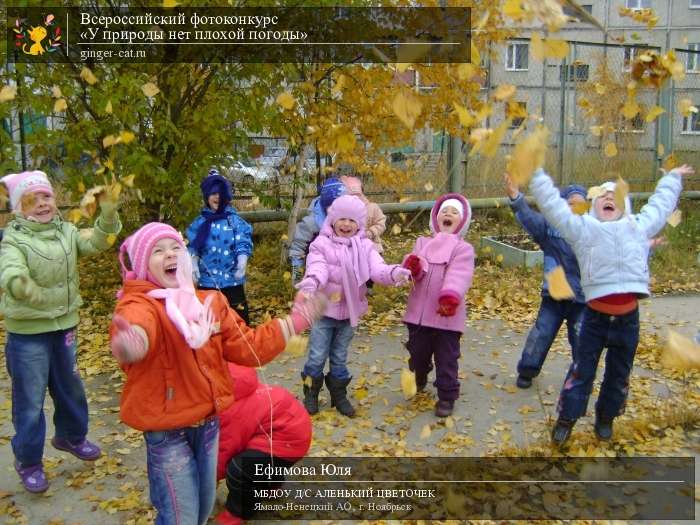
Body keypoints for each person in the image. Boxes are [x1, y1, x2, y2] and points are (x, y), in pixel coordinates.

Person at [109, 223, 325, 525]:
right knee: (180, 516)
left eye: (175, 247)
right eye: (157, 251)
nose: (169, 254)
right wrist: (133, 342)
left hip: (208, 425)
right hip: (169, 432)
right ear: (143, 263)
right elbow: (139, 326)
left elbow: (250, 349)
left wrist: (295, 321)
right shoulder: (141, 304)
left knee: (200, 507)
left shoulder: (208, 303)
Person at [528, 164, 694, 445]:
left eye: (614, 194)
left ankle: (606, 417)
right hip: (593, 319)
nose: (608, 197)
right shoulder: (583, 230)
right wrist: (535, 175)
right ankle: (566, 418)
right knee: (582, 372)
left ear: (625, 205)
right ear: (593, 206)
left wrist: (672, 178)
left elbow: (661, 206)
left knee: (619, 375)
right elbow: (554, 208)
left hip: (628, 321)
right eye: (602, 195)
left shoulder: (638, 227)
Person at [0, 170, 122, 493]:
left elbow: (98, 242)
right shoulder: (14, 239)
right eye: (32, 199)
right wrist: (17, 283)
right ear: (18, 209)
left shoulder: (67, 232)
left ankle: (70, 435)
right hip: (28, 334)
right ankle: (28, 461)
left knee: (70, 385)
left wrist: (108, 215)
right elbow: (9, 267)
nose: (41, 203)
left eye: (46, 196)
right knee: (30, 399)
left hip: (64, 326)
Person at [296, 195, 411, 417]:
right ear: (332, 220)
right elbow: (318, 267)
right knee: (317, 355)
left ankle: (338, 395)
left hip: (349, 313)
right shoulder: (321, 244)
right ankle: (311, 393)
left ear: (359, 224)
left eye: (352, 220)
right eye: (342, 219)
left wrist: (395, 273)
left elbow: (377, 269)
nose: (346, 225)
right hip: (324, 311)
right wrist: (312, 280)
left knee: (339, 356)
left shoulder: (365, 247)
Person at [505, 174, 587, 389]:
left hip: (583, 298)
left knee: (582, 340)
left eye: (580, 205)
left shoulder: (592, 233)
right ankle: (527, 370)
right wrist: (516, 197)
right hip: (555, 295)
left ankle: (581, 375)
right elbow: (530, 219)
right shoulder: (550, 229)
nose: (574, 208)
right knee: (541, 334)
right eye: (570, 204)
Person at [401, 193, 475, 417]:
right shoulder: (423, 243)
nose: (448, 214)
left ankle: (446, 395)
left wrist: (450, 297)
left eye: (454, 212)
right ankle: (420, 374)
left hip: (446, 316)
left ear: (462, 221)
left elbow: (459, 274)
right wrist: (412, 266)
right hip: (419, 316)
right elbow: (417, 267)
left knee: (447, 358)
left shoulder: (463, 249)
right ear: (435, 217)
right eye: (444, 211)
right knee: (417, 353)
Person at [214, 363, 312, 525]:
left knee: (239, 469)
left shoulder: (231, 410)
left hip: (284, 442)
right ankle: (271, 486)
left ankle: (238, 512)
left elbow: (226, 449)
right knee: (262, 457)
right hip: (295, 435)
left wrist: (212, 478)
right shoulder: (247, 390)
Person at [187, 169, 253, 324]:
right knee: (210, 322)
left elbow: (243, 241)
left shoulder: (234, 221)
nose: (217, 197)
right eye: (213, 193)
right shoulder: (200, 223)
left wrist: (242, 260)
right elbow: (193, 247)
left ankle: (242, 346)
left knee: (238, 319)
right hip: (207, 283)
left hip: (232, 280)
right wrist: (193, 263)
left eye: (221, 193)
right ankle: (213, 346)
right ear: (206, 197)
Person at [288, 177, 345, 284]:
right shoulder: (312, 223)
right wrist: (297, 276)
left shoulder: (348, 221)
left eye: (342, 206)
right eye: (332, 207)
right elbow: (297, 248)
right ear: (325, 206)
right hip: (315, 265)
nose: (337, 211)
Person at [340, 175, 386, 253]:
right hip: (353, 249)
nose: (356, 199)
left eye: (358, 196)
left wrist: (371, 232)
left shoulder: (372, 207)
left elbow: (381, 223)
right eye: (351, 197)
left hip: (373, 247)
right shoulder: (345, 211)